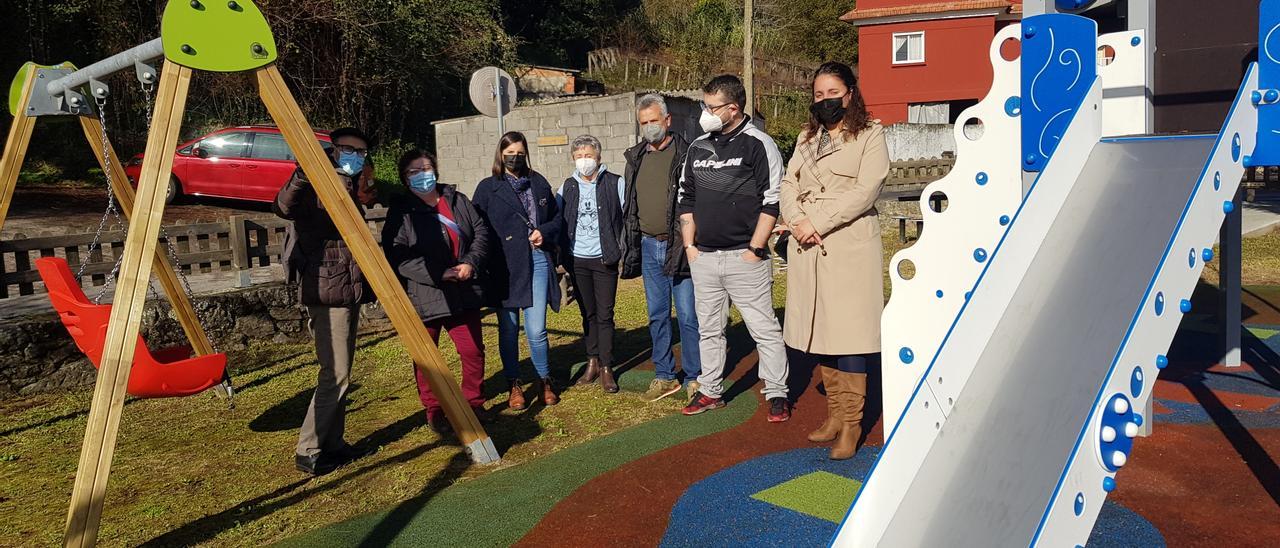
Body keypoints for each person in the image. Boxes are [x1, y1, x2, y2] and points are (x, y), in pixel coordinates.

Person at [780, 62, 889, 460]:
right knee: (821, 328)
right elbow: (789, 183)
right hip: (807, 242)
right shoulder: (806, 137)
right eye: (819, 95)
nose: (825, 101)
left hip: (847, 242)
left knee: (851, 333)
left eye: (833, 93)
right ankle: (834, 415)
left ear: (850, 93)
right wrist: (795, 220)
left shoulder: (871, 134)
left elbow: (866, 189)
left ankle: (853, 424)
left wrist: (817, 223)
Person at [678, 75, 791, 422]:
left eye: (712, 107)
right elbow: (687, 197)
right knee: (709, 329)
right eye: (704, 106)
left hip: (746, 257)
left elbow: (772, 200)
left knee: (764, 329)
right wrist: (690, 247)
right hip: (704, 257)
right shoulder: (697, 147)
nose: (706, 113)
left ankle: (777, 392)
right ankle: (710, 390)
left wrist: (756, 248)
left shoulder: (758, 144)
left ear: (733, 108)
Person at [274, 126, 377, 475]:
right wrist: (303, 173)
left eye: (360, 152)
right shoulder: (315, 181)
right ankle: (309, 448)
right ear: (332, 150)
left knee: (342, 371)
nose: (354, 156)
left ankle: (333, 443)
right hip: (325, 287)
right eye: (348, 149)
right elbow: (283, 205)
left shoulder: (351, 185)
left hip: (347, 288)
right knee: (335, 373)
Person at [383, 149, 491, 433]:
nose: (423, 175)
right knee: (427, 358)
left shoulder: (457, 201)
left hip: (463, 290)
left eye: (427, 168)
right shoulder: (402, 212)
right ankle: (434, 408)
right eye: (414, 171)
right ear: (405, 179)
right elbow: (398, 254)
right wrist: (437, 273)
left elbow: (480, 232)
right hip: (425, 294)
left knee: (472, 351)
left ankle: (474, 401)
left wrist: (470, 262)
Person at [473, 132, 563, 409]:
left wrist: (543, 233)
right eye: (510, 152)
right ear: (501, 155)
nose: (515, 157)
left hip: (536, 259)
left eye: (520, 152)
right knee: (508, 329)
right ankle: (513, 383)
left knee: (536, 329)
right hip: (504, 267)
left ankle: (544, 378)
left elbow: (558, 219)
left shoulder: (538, 182)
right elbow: (478, 228)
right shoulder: (488, 188)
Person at [622, 94, 703, 402]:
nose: (649, 127)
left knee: (687, 314)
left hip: (679, 245)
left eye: (654, 121)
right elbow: (630, 204)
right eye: (644, 123)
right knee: (657, 314)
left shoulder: (687, 154)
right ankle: (665, 375)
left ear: (668, 120)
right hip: (647, 245)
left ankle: (695, 376)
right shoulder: (635, 157)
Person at [557, 135, 626, 393]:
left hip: (604, 258)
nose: (584, 160)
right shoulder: (568, 186)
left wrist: (622, 249)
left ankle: (607, 367)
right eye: (579, 156)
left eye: (588, 155)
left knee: (605, 313)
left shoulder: (615, 183)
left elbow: (627, 217)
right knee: (588, 313)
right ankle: (592, 361)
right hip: (577, 260)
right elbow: (559, 220)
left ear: (598, 157)